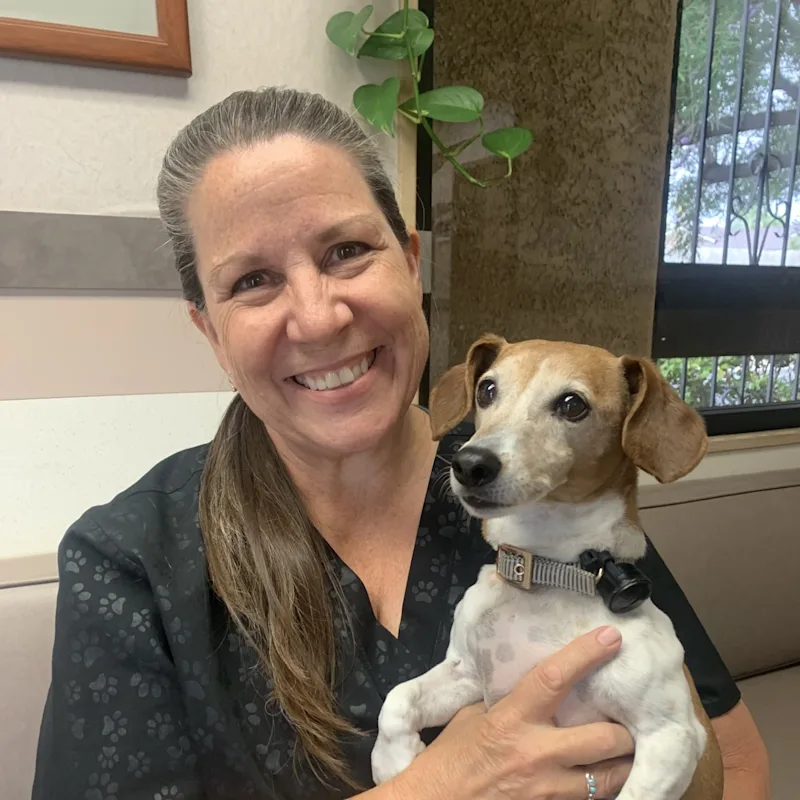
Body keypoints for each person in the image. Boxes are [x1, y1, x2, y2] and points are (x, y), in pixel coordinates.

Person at [32, 87, 768, 800]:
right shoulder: (131, 563)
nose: (318, 320)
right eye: (253, 280)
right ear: (209, 332)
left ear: (411, 262)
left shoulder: (560, 505)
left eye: (348, 250)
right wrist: (442, 787)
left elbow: (735, 767)